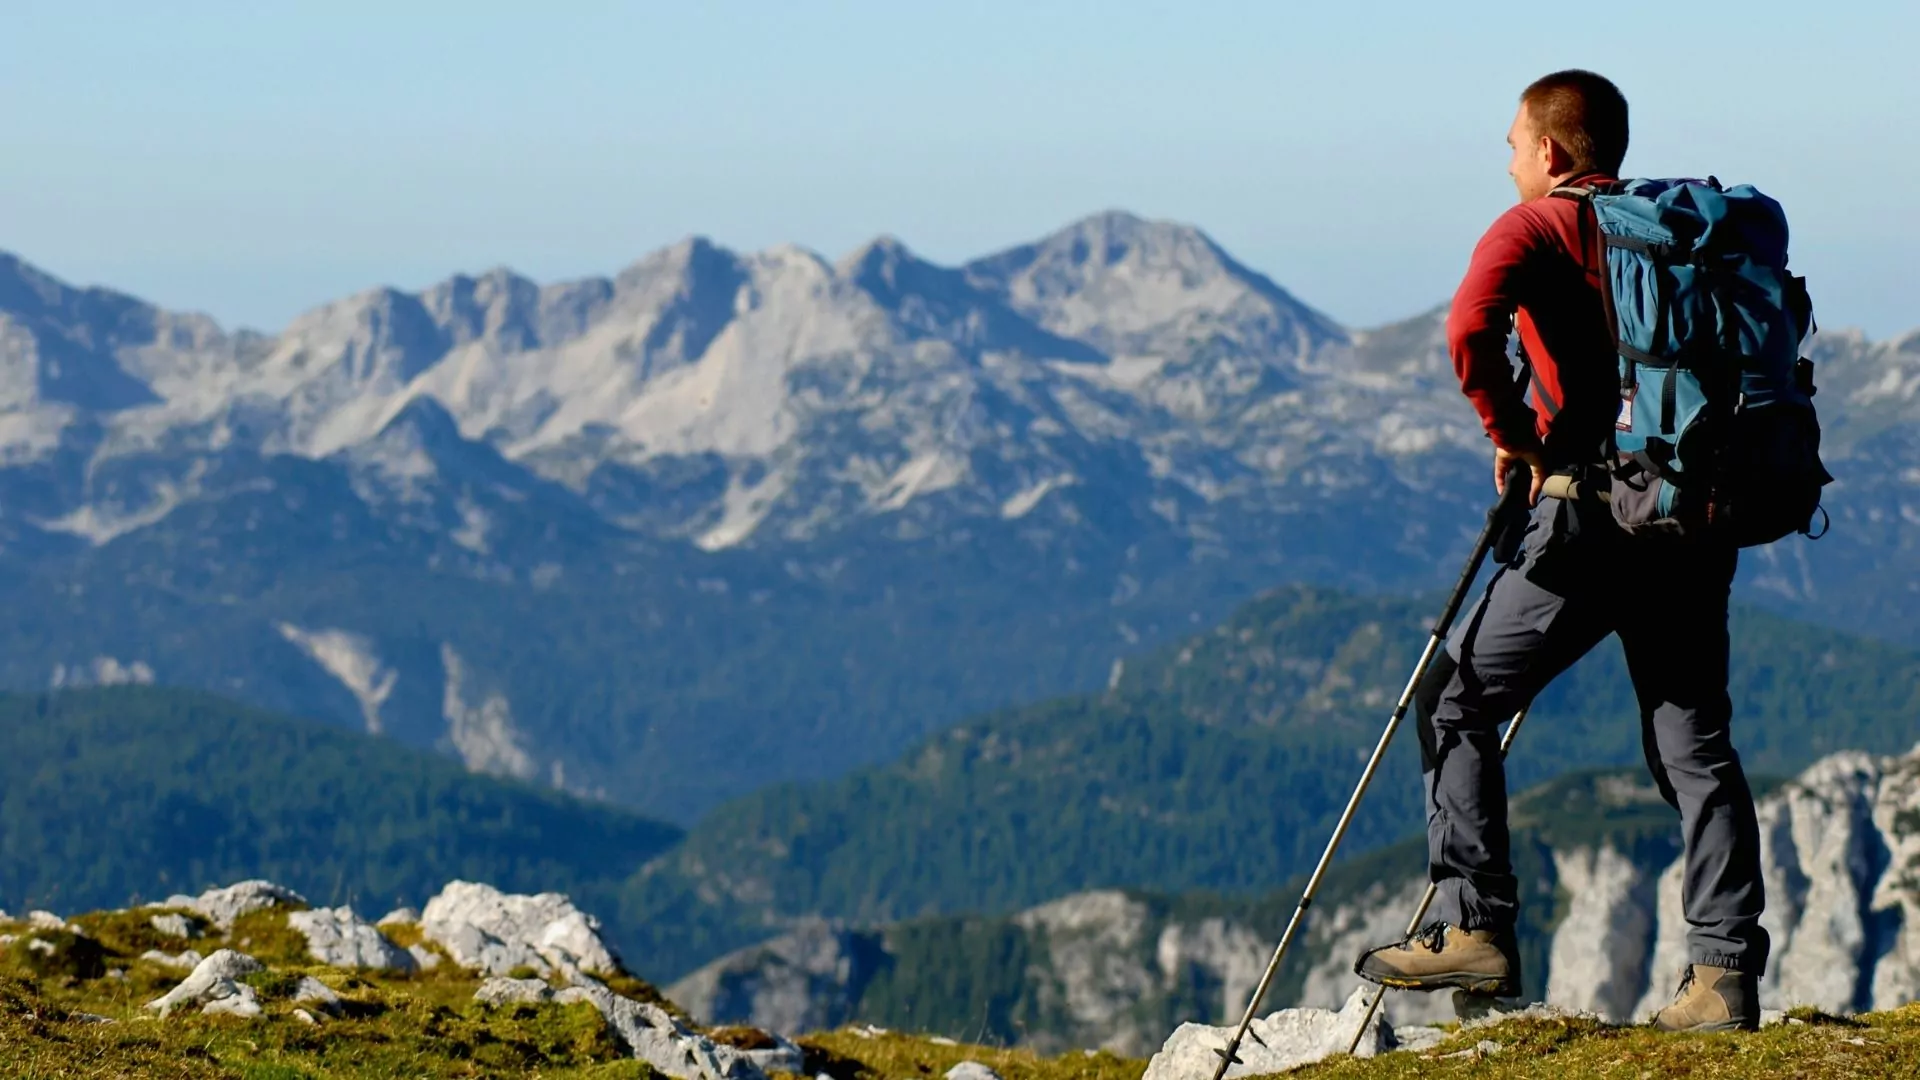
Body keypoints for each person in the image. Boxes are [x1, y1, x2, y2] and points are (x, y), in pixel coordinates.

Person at [1349, 70, 1768, 1033]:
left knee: (1454, 694)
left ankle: (1475, 924)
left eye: (1510, 145)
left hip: (1584, 527)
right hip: (1688, 518)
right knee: (1695, 746)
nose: (1506, 161)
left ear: (1550, 151)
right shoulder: (1667, 233)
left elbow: (1467, 332)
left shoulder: (1533, 227)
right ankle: (1723, 976)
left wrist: (1517, 434)